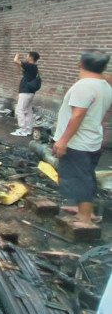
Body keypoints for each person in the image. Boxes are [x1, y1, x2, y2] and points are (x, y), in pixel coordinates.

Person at [52, 50, 112, 224]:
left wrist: (63, 141)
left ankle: (85, 218)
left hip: (77, 143)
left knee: (79, 179)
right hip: (92, 140)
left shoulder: (83, 86)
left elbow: (78, 115)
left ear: (80, 64)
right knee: (86, 176)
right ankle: (82, 209)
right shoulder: (104, 86)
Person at [11, 51, 41, 136]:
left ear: (31, 58)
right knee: (28, 111)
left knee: (19, 110)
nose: (25, 57)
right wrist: (18, 64)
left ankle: (23, 130)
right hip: (29, 92)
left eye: (27, 56)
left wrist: (17, 54)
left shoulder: (30, 65)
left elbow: (15, 60)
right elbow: (20, 72)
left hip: (26, 92)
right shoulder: (33, 67)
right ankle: (28, 130)